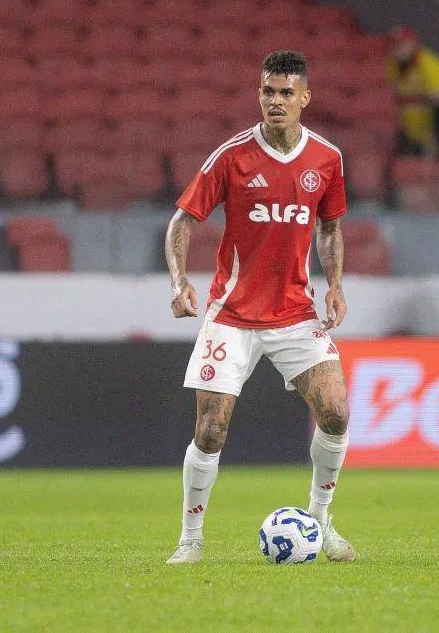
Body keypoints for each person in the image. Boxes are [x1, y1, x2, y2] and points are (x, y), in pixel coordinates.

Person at [163, 51, 356, 564]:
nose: (276, 101)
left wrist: (335, 286)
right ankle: (190, 539)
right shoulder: (231, 156)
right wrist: (180, 281)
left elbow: (330, 227)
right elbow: (182, 222)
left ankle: (320, 522)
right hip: (232, 315)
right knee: (211, 430)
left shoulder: (327, 158)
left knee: (336, 412)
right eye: (268, 91)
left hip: (296, 312)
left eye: (286, 93)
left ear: (304, 98)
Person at [386, 25, 439, 158]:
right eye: (394, 45)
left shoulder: (432, 65)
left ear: (413, 44)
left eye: (401, 45)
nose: (397, 50)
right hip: (416, 132)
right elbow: (401, 96)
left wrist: (438, 139)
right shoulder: (394, 64)